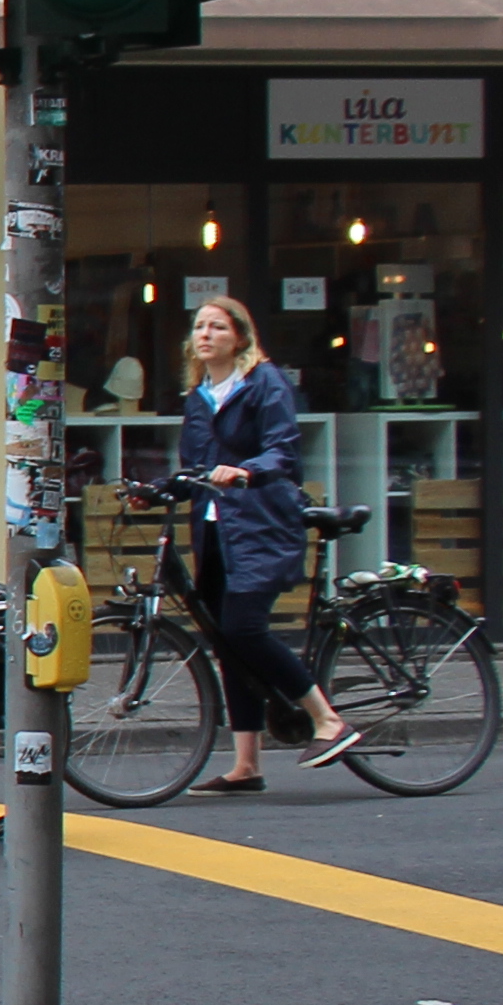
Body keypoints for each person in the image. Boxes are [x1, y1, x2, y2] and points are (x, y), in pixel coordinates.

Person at [166, 293, 362, 789]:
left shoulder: (263, 383)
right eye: (200, 327)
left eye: (218, 327)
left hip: (259, 524)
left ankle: (328, 719)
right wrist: (161, 488)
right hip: (213, 530)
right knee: (225, 639)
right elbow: (194, 464)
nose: (206, 335)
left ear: (240, 339)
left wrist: (246, 471)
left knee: (245, 628)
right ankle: (246, 765)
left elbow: (284, 451)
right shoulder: (198, 397)